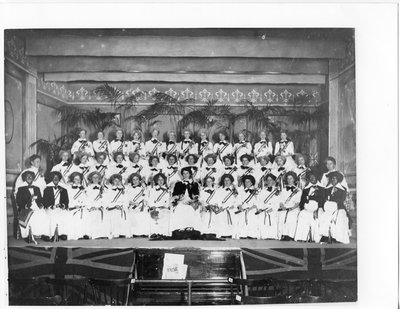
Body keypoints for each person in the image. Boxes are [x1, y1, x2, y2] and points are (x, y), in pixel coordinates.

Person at [16, 171, 51, 242]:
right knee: (34, 216)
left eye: (31, 176)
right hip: (27, 208)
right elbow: (19, 201)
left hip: (37, 207)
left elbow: (41, 199)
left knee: (45, 215)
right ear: (25, 178)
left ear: (33, 178)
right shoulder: (21, 189)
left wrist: (41, 204)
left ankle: (43, 234)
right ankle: (30, 235)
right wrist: (25, 205)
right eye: (27, 176)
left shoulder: (37, 188)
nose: (29, 177)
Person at [318, 171, 350, 244]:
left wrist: (334, 199)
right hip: (328, 208)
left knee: (337, 218)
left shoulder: (343, 189)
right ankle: (325, 236)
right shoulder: (328, 189)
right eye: (332, 179)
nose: (333, 180)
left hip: (339, 208)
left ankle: (336, 237)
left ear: (338, 180)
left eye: (335, 179)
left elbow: (343, 200)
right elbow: (324, 199)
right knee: (324, 217)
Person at [294, 170, 325, 242]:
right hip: (307, 208)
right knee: (302, 214)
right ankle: (302, 237)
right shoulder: (306, 189)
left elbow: (323, 200)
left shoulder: (322, 188)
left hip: (318, 208)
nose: (312, 178)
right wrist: (304, 207)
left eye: (314, 177)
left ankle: (316, 238)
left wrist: (316, 210)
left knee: (317, 217)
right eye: (310, 177)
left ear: (317, 177)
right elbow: (302, 201)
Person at [170, 167, 201, 235]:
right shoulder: (178, 184)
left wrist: (193, 200)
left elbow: (197, 194)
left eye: (187, 173)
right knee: (180, 208)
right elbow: (175, 194)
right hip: (181, 201)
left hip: (191, 201)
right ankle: (181, 228)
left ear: (190, 174)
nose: (185, 175)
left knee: (189, 208)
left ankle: (190, 228)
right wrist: (178, 197)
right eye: (183, 173)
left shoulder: (194, 184)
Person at [43, 171, 70, 241]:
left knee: (65, 214)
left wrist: (63, 205)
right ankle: (51, 234)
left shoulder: (63, 189)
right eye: (54, 177)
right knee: (53, 215)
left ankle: (62, 233)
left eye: (57, 177)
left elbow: (66, 201)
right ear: (51, 179)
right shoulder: (47, 189)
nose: (56, 179)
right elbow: (45, 201)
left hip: (60, 208)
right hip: (50, 208)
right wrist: (52, 206)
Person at [102, 174, 130, 238]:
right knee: (114, 216)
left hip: (122, 208)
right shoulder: (109, 191)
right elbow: (106, 201)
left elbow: (127, 200)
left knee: (123, 216)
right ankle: (114, 233)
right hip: (113, 208)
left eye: (118, 181)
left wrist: (122, 206)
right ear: (112, 182)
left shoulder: (124, 190)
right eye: (115, 181)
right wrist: (114, 206)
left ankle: (123, 232)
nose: (117, 182)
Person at [278, 171, 302, 241]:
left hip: (294, 208)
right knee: (282, 216)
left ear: (294, 179)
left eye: (291, 178)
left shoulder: (298, 190)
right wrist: (283, 207)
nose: (289, 180)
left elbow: (297, 202)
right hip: (285, 208)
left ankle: (290, 235)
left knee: (291, 217)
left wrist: (291, 208)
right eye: (288, 179)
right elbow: (281, 201)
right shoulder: (284, 190)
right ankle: (283, 234)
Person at [85, 171, 110, 239]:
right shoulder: (88, 188)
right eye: (94, 177)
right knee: (94, 215)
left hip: (101, 207)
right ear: (91, 179)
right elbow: (87, 199)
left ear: (99, 179)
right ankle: (95, 235)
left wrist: (102, 206)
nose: (96, 179)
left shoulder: (103, 188)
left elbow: (106, 199)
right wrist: (91, 207)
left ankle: (103, 234)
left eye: (97, 177)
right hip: (92, 208)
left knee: (104, 215)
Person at [256, 172, 280, 240]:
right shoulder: (262, 191)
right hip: (264, 209)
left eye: (271, 180)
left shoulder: (277, 191)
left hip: (273, 209)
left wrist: (273, 208)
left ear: (274, 181)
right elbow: (259, 200)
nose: (269, 182)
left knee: (273, 217)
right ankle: (264, 235)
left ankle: (272, 235)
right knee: (261, 217)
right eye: (268, 180)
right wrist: (261, 208)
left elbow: (278, 201)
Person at [234, 175, 259, 239]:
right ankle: (243, 234)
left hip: (252, 209)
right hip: (243, 210)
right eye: (245, 182)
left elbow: (258, 202)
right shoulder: (242, 191)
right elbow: (238, 200)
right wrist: (240, 206)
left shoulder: (256, 191)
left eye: (248, 182)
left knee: (252, 221)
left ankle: (252, 235)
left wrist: (250, 208)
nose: (247, 183)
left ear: (251, 183)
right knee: (242, 221)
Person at [214, 174, 238, 238]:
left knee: (233, 218)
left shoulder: (235, 190)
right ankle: (222, 234)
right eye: (225, 180)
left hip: (231, 208)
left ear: (231, 181)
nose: (227, 182)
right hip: (222, 208)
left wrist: (234, 205)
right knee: (221, 219)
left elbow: (238, 200)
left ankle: (232, 234)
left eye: (228, 180)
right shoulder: (219, 190)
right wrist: (221, 206)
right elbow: (217, 199)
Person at [125, 173, 149, 237]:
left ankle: (144, 232)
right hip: (133, 206)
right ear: (131, 181)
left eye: (137, 179)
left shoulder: (143, 188)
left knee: (144, 214)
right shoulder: (129, 189)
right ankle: (135, 233)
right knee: (133, 214)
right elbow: (127, 200)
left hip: (142, 206)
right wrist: (134, 204)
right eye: (134, 179)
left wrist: (144, 203)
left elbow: (147, 198)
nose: (135, 181)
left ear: (139, 180)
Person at [67, 171, 89, 240]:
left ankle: (84, 233)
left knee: (86, 214)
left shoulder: (83, 188)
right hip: (73, 207)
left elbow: (86, 198)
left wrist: (83, 204)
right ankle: (78, 234)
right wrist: (74, 206)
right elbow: (68, 199)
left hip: (82, 206)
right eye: (76, 179)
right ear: (72, 179)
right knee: (77, 215)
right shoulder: (69, 188)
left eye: (79, 179)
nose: (78, 181)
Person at [148, 173, 171, 239]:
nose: (160, 181)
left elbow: (168, 201)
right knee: (154, 215)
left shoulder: (167, 190)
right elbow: (151, 200)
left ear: (164, 181)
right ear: (156, 181)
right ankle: (154, 233)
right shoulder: (152, 190)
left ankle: (163, 234)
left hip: (164, 208)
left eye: (162, 180)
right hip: (155, 207)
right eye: (159, 180)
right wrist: (153, 207)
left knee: (166, 214)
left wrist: (165, 206)